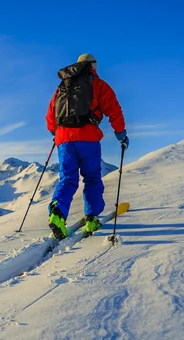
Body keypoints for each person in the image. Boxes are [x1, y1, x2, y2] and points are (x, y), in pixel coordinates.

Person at [45, 53, 129, 239]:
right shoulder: (99, 84)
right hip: (88, 138)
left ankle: (57, 212)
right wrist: (121, 134)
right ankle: (91, 217)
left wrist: (55, 132)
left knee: (67, 179)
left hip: (64, 140)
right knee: (91, 177)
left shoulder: (62, 87)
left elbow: (50, 117)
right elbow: (114, 110)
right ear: (93, 67)